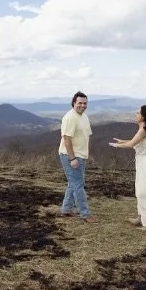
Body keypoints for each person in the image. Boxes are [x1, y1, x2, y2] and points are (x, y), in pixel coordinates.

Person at [58, 91, 93, 221]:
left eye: (85, 103)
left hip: (80, 155)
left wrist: (87, 154)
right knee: (78, 185)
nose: (82, 105)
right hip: (70, 155)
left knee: (73, 184)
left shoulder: (84, 117)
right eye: (80, 103)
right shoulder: (70, 117)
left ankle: (66, 209)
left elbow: (86, 137)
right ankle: (85, 214)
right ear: (73, 103)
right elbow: (66, 139)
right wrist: (72, 158)